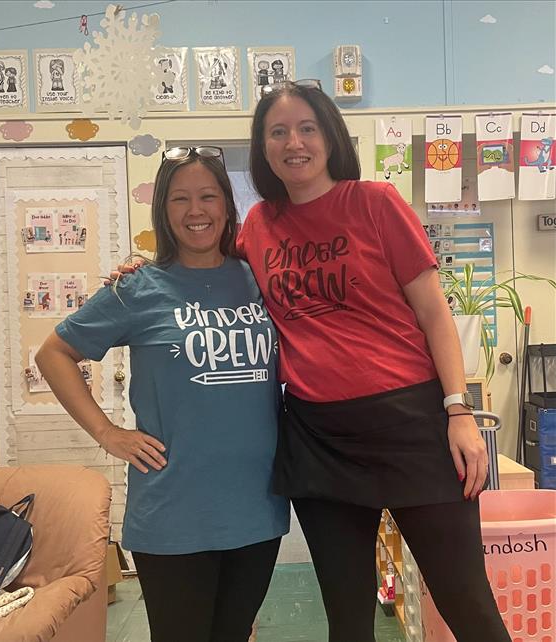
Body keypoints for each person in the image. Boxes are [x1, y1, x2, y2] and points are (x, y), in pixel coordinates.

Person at [109, 85, 511, 641]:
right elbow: (208, 272)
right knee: (346, 620)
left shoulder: (375, 202)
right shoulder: (258, 227)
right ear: (263, 147)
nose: (293, 143)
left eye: (306, 129)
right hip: (320, 439)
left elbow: (436, 314)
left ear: (329, 137)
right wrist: (140, 272)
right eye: (277, 132)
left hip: (412, 425)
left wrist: (458, 410)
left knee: (467, 604)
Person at [36, 147, 290, 642]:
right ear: (163, 210)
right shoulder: (139, 288)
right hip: (174, 512)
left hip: (257, 507)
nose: (196, 211)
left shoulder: (257, 276)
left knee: (234, 633)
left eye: (208, 196)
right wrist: (108, 433)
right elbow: (54, 354)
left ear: (227, 204)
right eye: (180, 199)